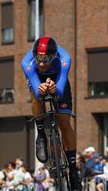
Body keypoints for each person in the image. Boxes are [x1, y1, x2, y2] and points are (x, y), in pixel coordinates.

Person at [21, 36, 80, 190]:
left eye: (45, 59)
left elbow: (60, 90)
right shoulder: (27, 63)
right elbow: (36, 87)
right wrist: (40, 90)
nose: (41, 63)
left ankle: (73, 170)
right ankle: (41, 133)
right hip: (37, 80)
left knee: (65, 122)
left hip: (58, 78)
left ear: (53, 57)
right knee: (35, 97)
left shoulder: (64, 58)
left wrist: (56, 89)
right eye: (38, 58)